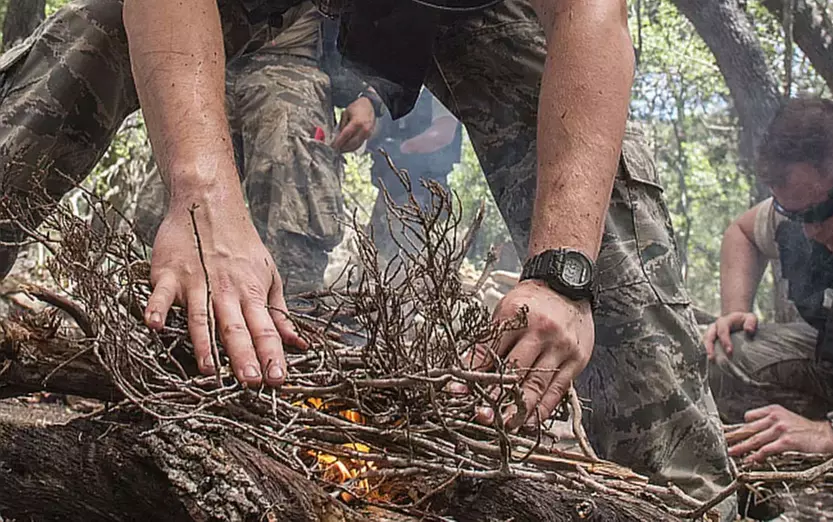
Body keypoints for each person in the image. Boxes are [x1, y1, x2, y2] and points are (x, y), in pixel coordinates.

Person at [0, 0, 735, 512]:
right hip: (262, 6)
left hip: (454, 10)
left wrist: (562, 270)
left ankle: (688, 498)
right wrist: (200, 195)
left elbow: (588, 14)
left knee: (592, 183)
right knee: (88, 39)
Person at [132, 6, 379, 295]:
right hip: (205, 52)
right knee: (180, 185)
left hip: (295, 62)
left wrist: (370, 95)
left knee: (292, 191)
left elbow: (392, 18)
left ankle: (292, 315)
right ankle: (163, 313)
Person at [703, 98, 833, 463]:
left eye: (819, 212)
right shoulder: (808, 205)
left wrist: (832, 434)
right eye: (794, 215)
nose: (810, 231)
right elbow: (741, 232)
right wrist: (735, 310)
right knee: (723, 349)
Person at [366, 87, 462, 260]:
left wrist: (400, 149)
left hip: (421, 194)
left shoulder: (442, 89)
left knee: (406, 262)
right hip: (391, 191)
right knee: (371, 255)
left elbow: (442, 134)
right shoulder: (396, 91)